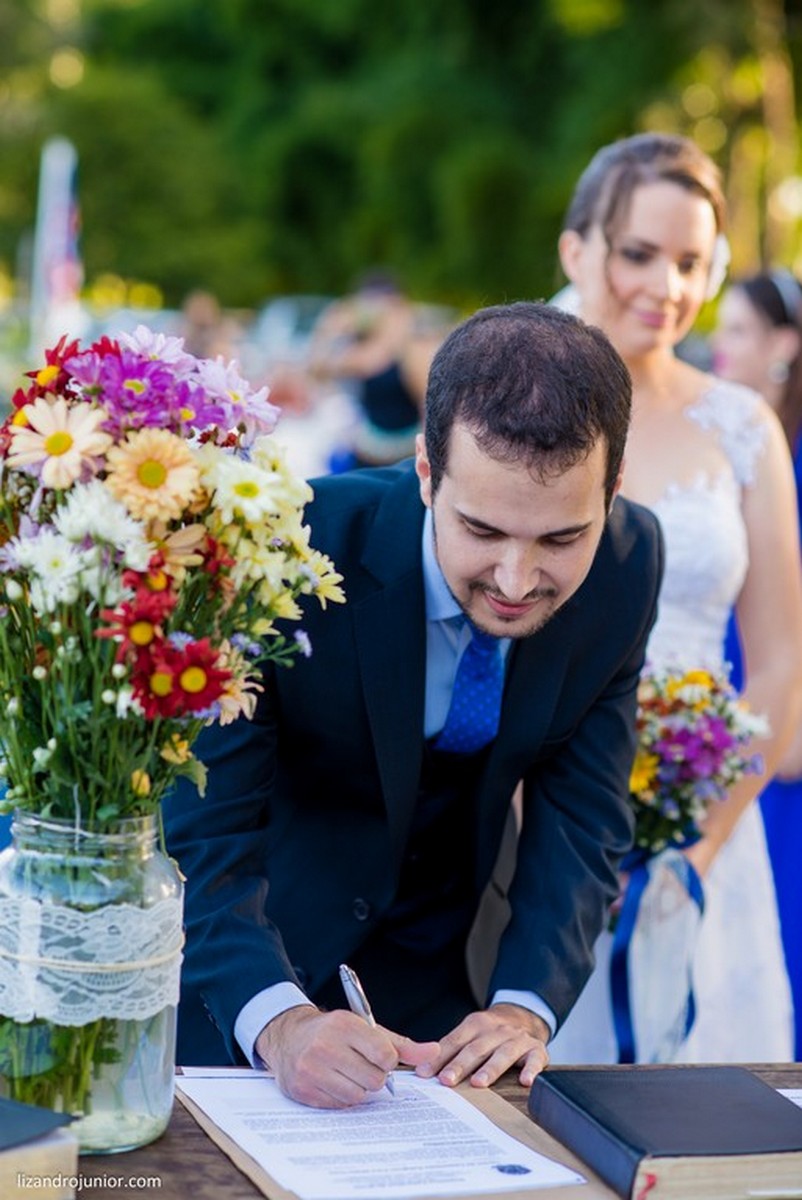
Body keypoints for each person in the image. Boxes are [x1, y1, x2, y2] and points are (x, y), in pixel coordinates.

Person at [163, 300, 664, 1108]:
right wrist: (280, 1021)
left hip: (454, 1014)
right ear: (427, 472)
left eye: (561, 540)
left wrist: (523, 1007)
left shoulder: (631, 564)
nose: (515, 579)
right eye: (482, 530)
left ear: (612, 488)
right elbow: (205, 829)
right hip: (249, 996)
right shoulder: (287, 550)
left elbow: (583, 818)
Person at [549, 133, 802, 1065]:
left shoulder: (741, 425)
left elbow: (779, 663)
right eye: (640, 254)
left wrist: (695, 853)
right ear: (578, 250)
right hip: (532, 830)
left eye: (692, 262)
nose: (668, 286)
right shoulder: (511, 405)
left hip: (704, 831)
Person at [712, 269, 802, 1057]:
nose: (720, 346)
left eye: (738, 330)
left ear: (785, 345)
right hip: (716, 732)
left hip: (786, 748)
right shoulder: (714, 443)